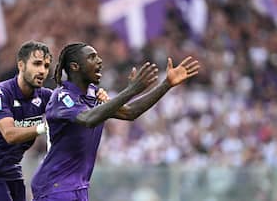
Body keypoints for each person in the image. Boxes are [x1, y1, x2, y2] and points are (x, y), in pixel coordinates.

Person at [31, 42, 200, 201]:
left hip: (77, 187)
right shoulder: (62, 96)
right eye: (92, 57)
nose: (99, 60)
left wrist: (166, 84)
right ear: (75, 67)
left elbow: (129, 112)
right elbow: (88, 119)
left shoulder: (93, 94)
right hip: (54, 185)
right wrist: (130, 90)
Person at [0, 40, 54, 201]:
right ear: (21, 65)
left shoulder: (45, 96)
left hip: (14, 174)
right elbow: (10, 134)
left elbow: (73, 106)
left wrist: (99, 98)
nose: (42, 70)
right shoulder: (0, 93)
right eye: (37, 64)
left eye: (46, 66)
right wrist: (44, 127)